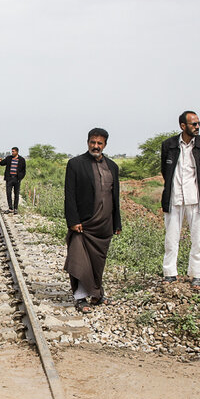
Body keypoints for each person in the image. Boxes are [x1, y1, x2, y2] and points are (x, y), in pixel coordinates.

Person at [64, 128, 122, 313]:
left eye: (99, 143)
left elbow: (116, 196)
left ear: (105, 144)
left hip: (104, 224)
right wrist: (73, 220)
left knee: (98, 262)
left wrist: (117, 222)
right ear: (87, 142)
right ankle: (80, 297)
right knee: (79, 259)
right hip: (83, 223)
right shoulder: (75, 164)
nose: (95, 146)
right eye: (92, 142)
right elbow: (69, 195)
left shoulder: (112, 166)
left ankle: (97, 294)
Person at [160, 111, 200, 287]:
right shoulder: (168, 145)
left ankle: (196, 274)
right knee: (171, 238)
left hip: (196, 198)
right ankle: (170, 273)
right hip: (174, 197)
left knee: (198, 239)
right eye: (193, 124)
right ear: (183, 126)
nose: (197, 127)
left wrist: (198, 187)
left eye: (198, 124)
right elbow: (165, 170)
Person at [0, 147, 27, 214]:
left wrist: (20, 178)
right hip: (9, 178)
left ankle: (15, 208)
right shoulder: (9, 158)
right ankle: (10, 208)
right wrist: (0, 160)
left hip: (17, 179)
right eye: (12, 151)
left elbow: (24, 170)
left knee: (16, 194)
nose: (12, 152)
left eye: (13, 151)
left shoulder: (22, 160)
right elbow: (3, 163)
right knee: (8, 193)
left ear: (17, 152)